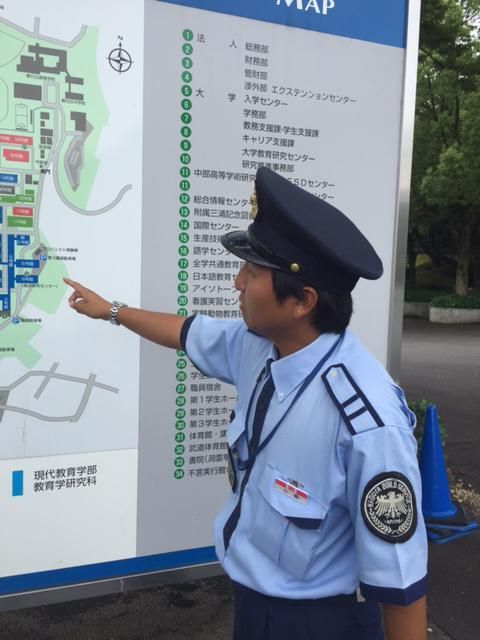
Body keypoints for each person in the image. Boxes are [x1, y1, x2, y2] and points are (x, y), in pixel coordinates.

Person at [65, 167, 428, 640]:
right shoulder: (261, 345)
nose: (237, 282)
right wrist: (111, 311)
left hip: (318, 622)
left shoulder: (367, 423)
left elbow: (400, 583)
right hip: (253, 606)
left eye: (252, 273)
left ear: (302, 301)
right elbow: (185, 331)